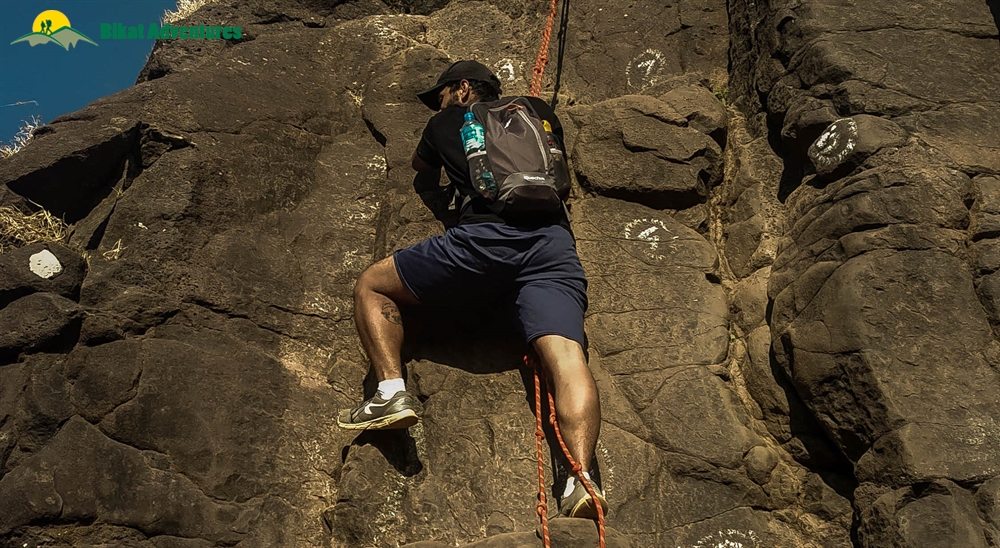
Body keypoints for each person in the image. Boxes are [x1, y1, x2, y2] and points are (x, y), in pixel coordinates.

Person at [337, 60, 607, 519]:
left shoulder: (446, 121)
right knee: (567, 357)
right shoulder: (538, 109)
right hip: (552, 246)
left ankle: (390, 393)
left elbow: (421, 171)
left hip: (484, 241)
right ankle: (581, 479)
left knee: (372, 285)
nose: (438, 102)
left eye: (441, 93)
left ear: (462, 89)